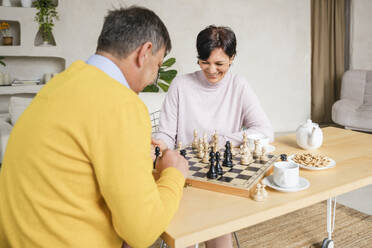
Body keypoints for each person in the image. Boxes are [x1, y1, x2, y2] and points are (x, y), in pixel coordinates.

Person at [0, 7, 188, 248]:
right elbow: (142, 233)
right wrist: (174, 172)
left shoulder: (58, 85)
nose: (154, 78)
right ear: (145, 53)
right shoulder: (122, 104)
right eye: (158, 65)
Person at [153, 25, 274, 248]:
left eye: (219, 64)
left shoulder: (239, 85)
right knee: (185, 236)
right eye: (204, 62)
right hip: (185, 179)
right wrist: (159, 146)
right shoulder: (181, 85)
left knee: (218, 231)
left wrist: (219, 141)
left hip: (221, 180)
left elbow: (265, 131)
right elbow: (167, 135)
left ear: (232, 58)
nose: (211, 70)